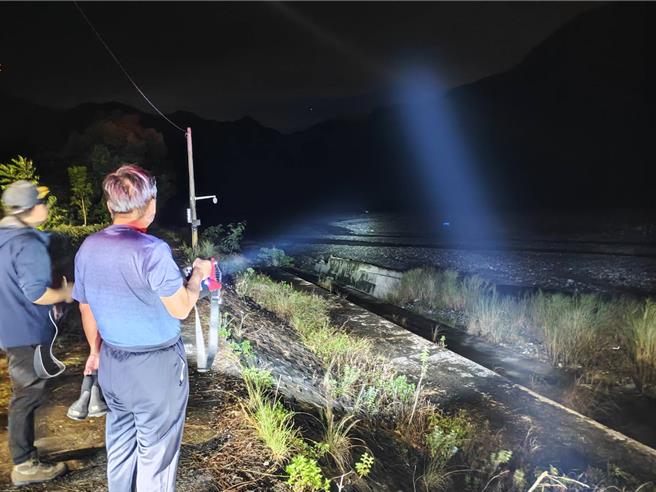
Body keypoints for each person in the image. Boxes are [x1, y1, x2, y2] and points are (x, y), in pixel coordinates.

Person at [73, 164, 211, 491]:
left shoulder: (88, 247)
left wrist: (95, 352)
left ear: (110, 207)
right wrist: (198, 276)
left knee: (120, 446)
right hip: (157, 368)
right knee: (156, 456)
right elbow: (180, 308)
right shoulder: (152, 251)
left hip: (112, 363)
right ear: (150, 205)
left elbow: (86, 307)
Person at [0, 180, 73, 486]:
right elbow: (36, 293)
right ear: (30, 210)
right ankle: (24, 464)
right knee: (27, 395)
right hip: (26, 331)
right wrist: (65, 292)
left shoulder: (4, 237)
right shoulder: (27, 243)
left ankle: (24, 457)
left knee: (26, 393)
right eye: (44, 202)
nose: (47, 206)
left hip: (10, 327)